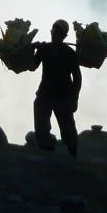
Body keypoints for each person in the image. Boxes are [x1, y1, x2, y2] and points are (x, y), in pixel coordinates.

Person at [28, 19, 82, 157]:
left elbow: (77, 78)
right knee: (41, 126)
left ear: (64, 36)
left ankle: (72, 154)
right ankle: (47, 152)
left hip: (63, 97)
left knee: (68, 129)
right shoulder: (44, 49)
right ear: (51, 32)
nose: (56, 34)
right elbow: (32, 66)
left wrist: (74, 99)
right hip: (45, 93)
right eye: (54, 31)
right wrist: (31, 49)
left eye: (59, 33)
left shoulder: (69, 53)